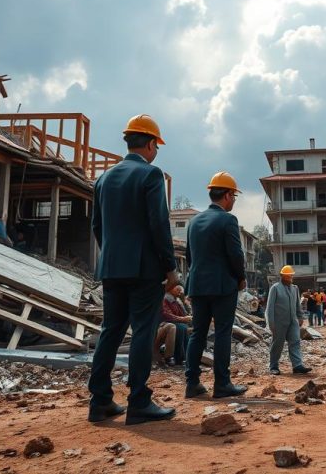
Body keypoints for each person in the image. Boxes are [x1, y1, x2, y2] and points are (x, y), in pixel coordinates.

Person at [88, 114, 177, 425]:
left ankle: (99, 402)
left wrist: (113, 255)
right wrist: (170, 267)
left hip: (111, 267)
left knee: (110, 331)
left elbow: (98, 226)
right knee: (143, 331)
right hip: (144, 270)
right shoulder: (150, 176)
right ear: (151, 143)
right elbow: (158, 224)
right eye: (157, 146)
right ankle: (138, 401)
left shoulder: (103, 179)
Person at [184, 172, 248, 399]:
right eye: (234, 196)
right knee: (222, 333)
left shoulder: (194, 222)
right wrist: (240, 278)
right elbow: (235, 255)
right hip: (222, 286)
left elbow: (189, 257)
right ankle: (221, 384)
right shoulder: (228, 220)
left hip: (198, 285)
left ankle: (192, 384)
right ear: (228, 195)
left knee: (197, 334)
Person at [266, 266, 311, 375]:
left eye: (291, 275)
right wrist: (271, 324)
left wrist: (300, 317)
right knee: (277, 344)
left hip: (292, 321)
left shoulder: (295, 288)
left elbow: (297, 305)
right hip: (279, 322)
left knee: (295, 342)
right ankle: (273, 366)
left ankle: (297, 366)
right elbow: (270, 307)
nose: (290, 277)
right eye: (288, 276)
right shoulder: (275, 288)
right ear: (282, 276)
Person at [162, 285, 191, 366]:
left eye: (181, 289)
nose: (180, 291)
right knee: (181, 328)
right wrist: (183, 319)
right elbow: (166, 315)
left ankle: (187, 357)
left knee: (184, 327)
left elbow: (184, 313)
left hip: (175, 322)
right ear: (170, 288)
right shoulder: (165, 298)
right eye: (177, 288)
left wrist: (184, 302)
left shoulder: (177, 300)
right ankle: (178, 358)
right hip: (163, 323)